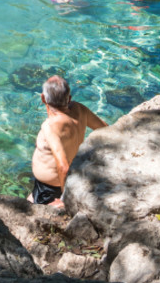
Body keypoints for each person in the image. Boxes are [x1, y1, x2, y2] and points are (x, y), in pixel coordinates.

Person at [30, 76, 106, 205]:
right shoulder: (80, 109)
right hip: (65, 179)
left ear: (43, 98)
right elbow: (105, 129)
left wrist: (65, 199)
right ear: (69, 98)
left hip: (53, 189)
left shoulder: (50, 126)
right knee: (29, 199)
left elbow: (63, 167)